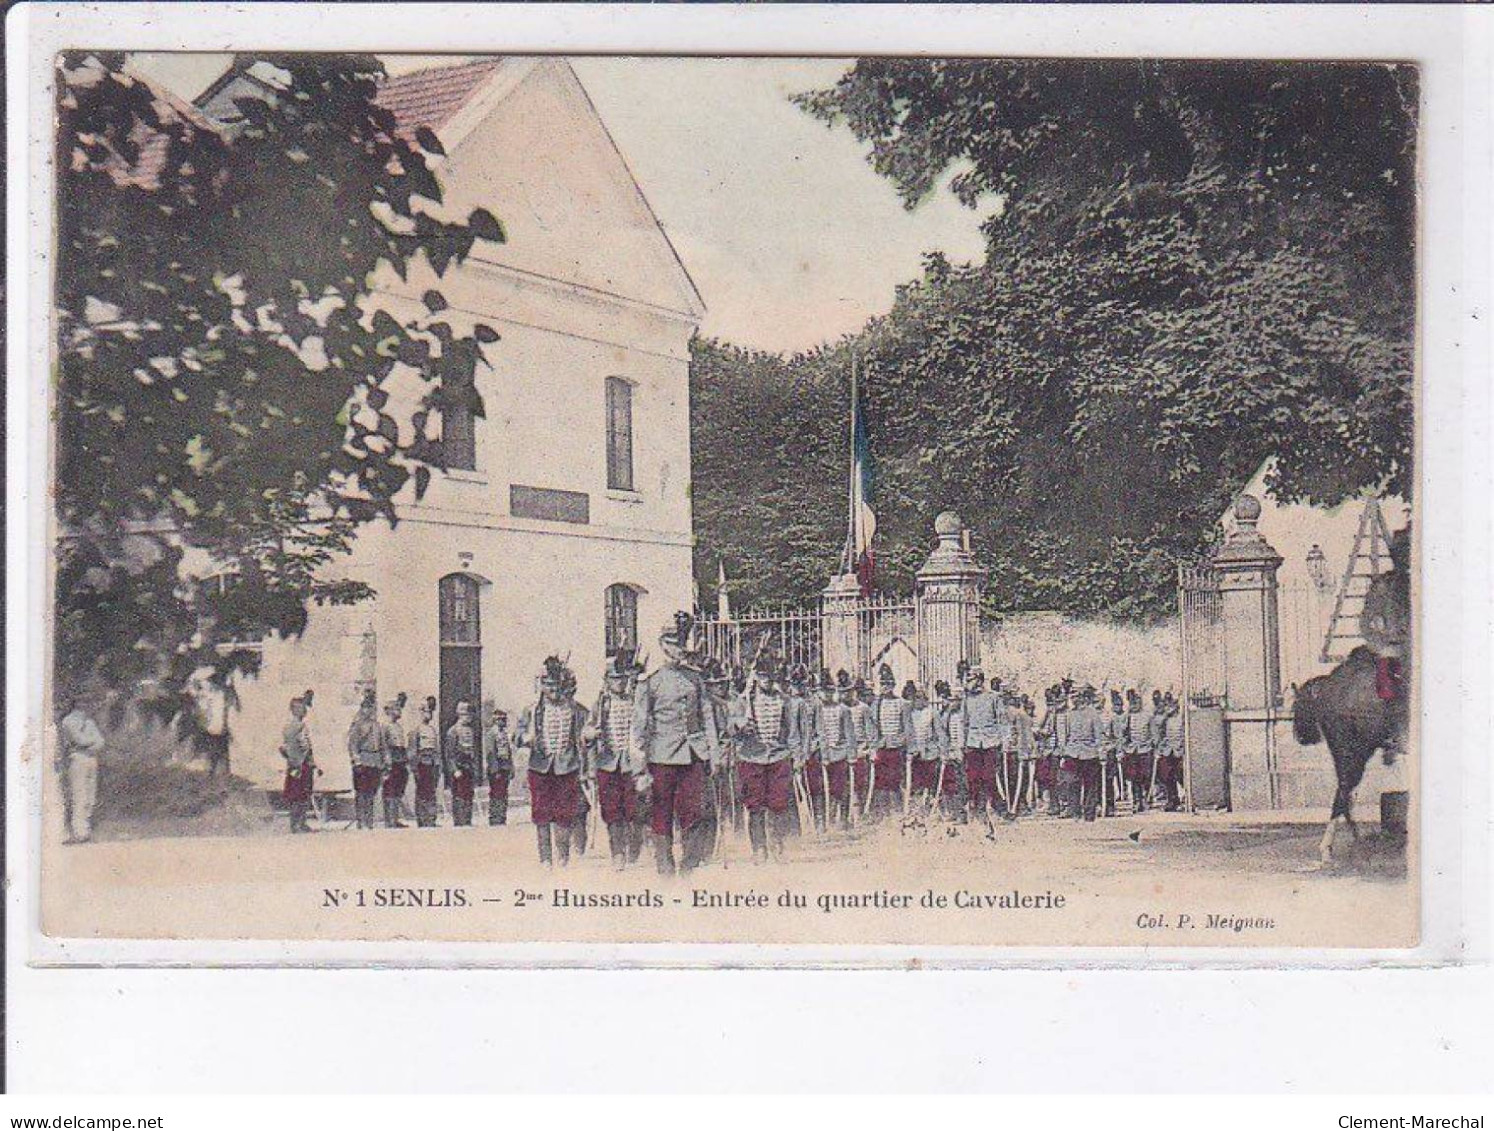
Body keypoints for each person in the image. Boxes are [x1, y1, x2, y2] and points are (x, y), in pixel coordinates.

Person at [632, 612, 719, 875]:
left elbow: (706, 715)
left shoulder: (695, 678)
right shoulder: (650, 680)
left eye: (681, 643)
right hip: (661, 756)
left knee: (693, 810)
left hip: (693, 753)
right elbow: (639, 725)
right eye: (672, 643)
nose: (677, 649)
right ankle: (665, 865)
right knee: (661, 811)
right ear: (662, 644)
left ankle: (689, 865)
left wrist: (713, 752)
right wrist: (639, 767)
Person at [519, 657, 589, 867]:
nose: (553, 689)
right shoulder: (532, 710)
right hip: (539, 767)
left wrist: (589, 737)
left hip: (567, 767)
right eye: (549, 685)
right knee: (541, 812)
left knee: (564, 812)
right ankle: (545, 858)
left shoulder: (577, 710)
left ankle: (563, 856)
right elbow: (519, 733)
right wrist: (524, 738)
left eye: (557, 684)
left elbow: (587, 734)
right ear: (541, 686)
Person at [586, 650, 646, 869]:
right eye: (614, 679)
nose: (619, 683)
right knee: (611, 811)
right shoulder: (600, 705)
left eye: (622, 679)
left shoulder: (636, 702)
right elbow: (588, 730)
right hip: (607, 762)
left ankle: (634, 847)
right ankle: (617, 852)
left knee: (634, 809)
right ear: (607, 681)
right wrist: (591, 734)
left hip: (633, 764)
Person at [732, 655, 795, 863]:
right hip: (752, 757)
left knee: (778, 804)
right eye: (762, 676)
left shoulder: (783, 699)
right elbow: (732, 727)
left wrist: (794, 753)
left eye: (770, 677)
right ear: (756, 677)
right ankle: (759, 847)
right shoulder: (745, 700)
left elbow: (790, 728)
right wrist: (741, 727)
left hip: (778, 755)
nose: (767, 680)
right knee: (755, 805)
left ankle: (778, 843)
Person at [57, 693, 106, 844]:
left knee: (90, 796)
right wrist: (91, 742)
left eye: (87, 702)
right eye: (83, 702)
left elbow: (101, 741)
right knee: (80, 794)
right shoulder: (68, 721)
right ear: (76, 703)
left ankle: (85, 829)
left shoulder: (89, 721)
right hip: (77, 758)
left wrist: (91, 744)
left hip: (91, 758)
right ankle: (78, 831)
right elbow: (79, 739)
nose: (86, 705)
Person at [961, 667, 1005, 827]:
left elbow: (1001, 720)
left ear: (979, 680)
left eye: (970, 680)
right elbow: (964, 722)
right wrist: (963, 744)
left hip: (990, 742)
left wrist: (1003, 740)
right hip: (973, 742)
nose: (968, 683)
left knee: (989, 777)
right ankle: (975, 808)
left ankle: (997, 807)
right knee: (973, 778)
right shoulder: (966, 699)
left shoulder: (993, 697)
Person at [869, 665, 911, 821]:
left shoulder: (902, 703)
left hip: (896, 747)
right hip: (881, 747)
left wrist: (907, 747)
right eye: (883, 684)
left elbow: (907, 728)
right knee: (880, 783)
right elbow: (873, 728)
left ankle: (898, 813)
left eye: (888, 684)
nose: (885, 687)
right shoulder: (876, 704)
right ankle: (882, 814)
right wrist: (874, 748)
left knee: (894, 781)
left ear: (893, 685)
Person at [818, 670, 856, 829]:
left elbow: (849, 734)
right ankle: (829, 820)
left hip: (841, 754)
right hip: (825, 755)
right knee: (825, 789)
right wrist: (824, 755)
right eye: (824, 691)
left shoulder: (843, 710)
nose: (827, 695)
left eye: (830, 691)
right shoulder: (819, 710)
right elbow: (820, 733)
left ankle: (844, 818)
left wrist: (851, 755)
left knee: (843, 788)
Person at [1065, 685, 1105, 822]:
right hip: (1072, 752)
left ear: (1082, 697)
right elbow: (1066, 735)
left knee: (1090, 784)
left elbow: (1099, 735)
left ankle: (1089, 814)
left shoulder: (1093, 713)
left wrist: (1100, 752)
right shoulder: (1069, 714)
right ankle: (1075, 812)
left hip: (1089, 753)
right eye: (1072, 697)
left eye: (1076, 696)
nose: (1073, 699)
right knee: (1072, 782)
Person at [346, 690, 384, 830]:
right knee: (361, 792)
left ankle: (369, 820)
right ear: (362, 709)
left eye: (371, 708)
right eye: (366, 708)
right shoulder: (358, 726)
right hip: (363, 760)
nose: (369, 711)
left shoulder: (377, 726)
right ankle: (361, 820)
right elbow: (353, 745)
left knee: (371, 792)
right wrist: (357, 761)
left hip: (375, 761)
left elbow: (382, 745)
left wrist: (383, 761)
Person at [280, 692, 316, 834]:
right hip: (297, 765)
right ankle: (295, 824)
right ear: (294, 709)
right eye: (301, 708)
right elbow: (287, 747)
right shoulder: (292, 727)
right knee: (296, 794)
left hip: (305, 764)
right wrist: (295, 761)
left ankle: (302, 822)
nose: (304, 711)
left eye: (304, 708)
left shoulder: (301, 725)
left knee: (305, 793)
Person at [444, 700, 479, 827]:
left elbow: (473, 750)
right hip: (459, 767)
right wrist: (454, 770)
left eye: (470, 715)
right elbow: (450, 754)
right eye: (466, 715)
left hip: (469, 766)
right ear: (460, 715)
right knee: (459, 794)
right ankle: (459, 821)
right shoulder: (453, 731)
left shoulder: (470, 730)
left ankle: (467, 820)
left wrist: (474, 767)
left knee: (469, 794)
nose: (468, 717)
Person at [908, 682, 942, 813]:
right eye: (915, 697)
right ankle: (918, 805)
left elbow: (938, 732)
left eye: (920, 697)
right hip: (915, 750)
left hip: (930, 750)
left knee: (930, 778)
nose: (917, 700)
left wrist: (938, 748)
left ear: (925, 699)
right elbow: (909, 732)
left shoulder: (932, 712)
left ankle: (931, 803)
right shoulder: (910, 713)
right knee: (917, 779)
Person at [409, 696, 442, 828]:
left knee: (432, 792)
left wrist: (438, 765)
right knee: (422, 792)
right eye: (425, 712)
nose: (428, 715)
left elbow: (436, 749)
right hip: (421, 763)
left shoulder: (433, 730)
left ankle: (431, 818)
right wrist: (415, 768)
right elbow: (412, 751)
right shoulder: (416, 730)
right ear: (420, 713)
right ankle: (422, 819)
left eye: (430, 712)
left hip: (432, 763)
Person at [850, 678, 879, 819]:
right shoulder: (841, 708)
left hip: (861, 750)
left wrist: (872, 750)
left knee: (860, 784)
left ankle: (861, 814)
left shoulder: (864, 708)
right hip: (844, 752)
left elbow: (871, 731)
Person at [380, 694, 410, 828]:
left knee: (398, 789)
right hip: (391, 758)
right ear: (389, 711)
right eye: (396, 708)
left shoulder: (398, 727)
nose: (399, 711)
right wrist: (387, 761)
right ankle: (389, 820)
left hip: (400, 758)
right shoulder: (385, 726)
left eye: (399, 708)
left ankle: (395, 818)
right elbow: (384, 745)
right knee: (390, 789)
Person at [1123, 689, 1153, 813]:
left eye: (1136, 702)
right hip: (1132, 751)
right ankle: (1136, 800)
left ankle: (1146, 798)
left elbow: (1153, 733)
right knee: (1134, 777)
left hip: (1145, 749)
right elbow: (1124, 734)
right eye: (1132, 702)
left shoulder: (1147, 716)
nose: (1134, 704)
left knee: (1146, 775)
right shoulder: (1128, 716)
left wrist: (1152, 744)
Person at [483, 702, 514, 827]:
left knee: (503, 792)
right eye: (501, 720)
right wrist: (494, 770)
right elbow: (490, 753)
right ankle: (495, 817)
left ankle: (501, 816)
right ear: (496, 721)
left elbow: (509, 752)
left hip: (505, 766)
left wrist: (511, 768)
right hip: (497, 768)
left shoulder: (504, 734)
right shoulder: (491, 733)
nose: (504, 722)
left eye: (504, 719)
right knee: (496, 793)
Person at [1156, 693, 1186, 811]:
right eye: (1167, 706)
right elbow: (1161, 735)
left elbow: (1185, 735)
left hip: (1179, 751)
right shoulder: (1165, 720)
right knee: (1167, 776)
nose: (1168, 709)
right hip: (1168, 751)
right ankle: (1172, 800)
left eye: (1170, 706)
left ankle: (1187, 797)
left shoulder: (1182, 719)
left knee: (1181, 775)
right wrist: (1160, 748)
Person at [1101, 690, 1126, 818]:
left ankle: (1110, 806)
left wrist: (1119, 751)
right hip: (1095, 752)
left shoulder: (1110, 717)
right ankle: (1098, 805)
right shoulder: (1089, 715)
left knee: (1108, 780)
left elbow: (1117, 737)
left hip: (1108, 751)